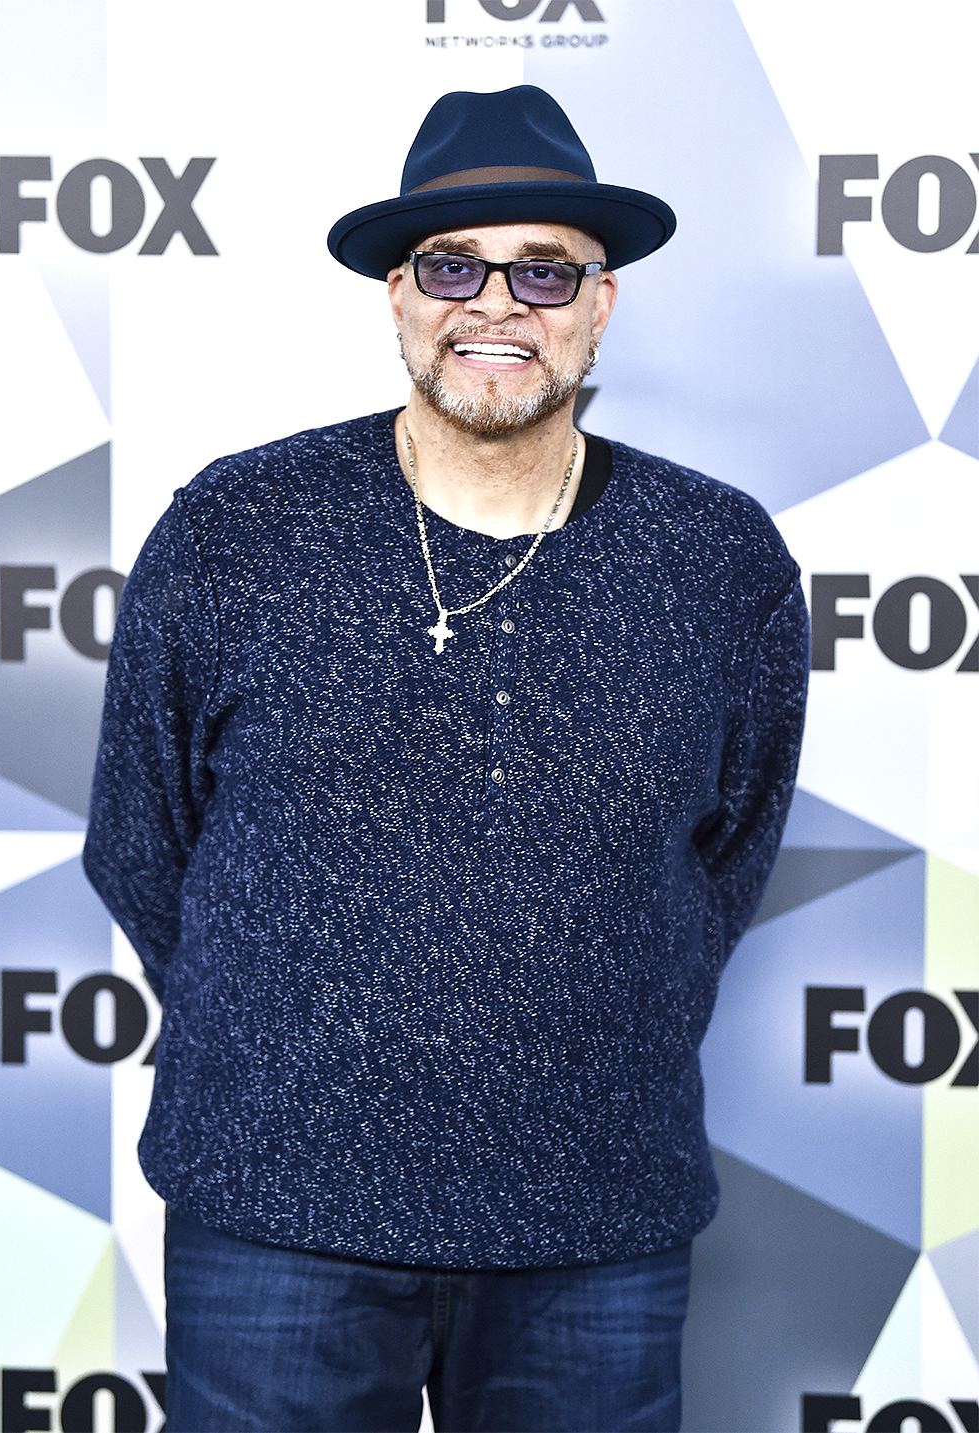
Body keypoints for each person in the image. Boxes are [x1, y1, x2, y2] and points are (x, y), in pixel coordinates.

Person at [83, 85, 809, 1433]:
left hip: (595, 1212)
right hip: (274, 1207)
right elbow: (142, 835)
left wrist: (567, 1020)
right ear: (399, 296)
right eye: (452, 266)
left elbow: (727, 851)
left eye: (544, 270)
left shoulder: (718, 558)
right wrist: (299, 1032)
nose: (496, 304)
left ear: (601, 304)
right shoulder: (237, 526)